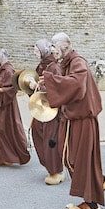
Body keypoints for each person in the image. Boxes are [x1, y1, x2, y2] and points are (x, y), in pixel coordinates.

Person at [40, 33, 105, 209]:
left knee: (82, 160)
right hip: (72, 119)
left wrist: (51, 81)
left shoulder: (78, 62)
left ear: (65, 46)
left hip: (83, 121)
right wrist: (47, 85)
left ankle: (92, 204)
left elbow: (77, 85)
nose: (52, 49)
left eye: (54, 46)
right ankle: (98, 181)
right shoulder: (66, 63)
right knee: (72, 158)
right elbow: (65, 87)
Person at [0, 49, 30, 166]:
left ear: (2, 58)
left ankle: (10, 156)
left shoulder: (9, 70)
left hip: (6, 105)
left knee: (0, 127)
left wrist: (0, 90)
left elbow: (13, 88)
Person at [28, 39, 64, 184]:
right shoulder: (42, 65)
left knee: (50, 139)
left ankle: (56, 171)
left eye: (36, 50)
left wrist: (37, 86)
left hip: (51, 110)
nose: (34, 53)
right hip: (41, 108)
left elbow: (57, 89)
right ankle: (50, 167)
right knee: (37, 134)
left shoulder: (53, 67)